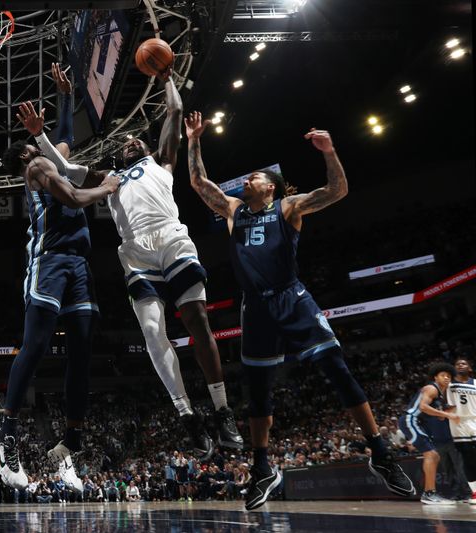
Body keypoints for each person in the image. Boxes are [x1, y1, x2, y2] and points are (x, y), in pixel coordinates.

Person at [183, 112, 415, 510]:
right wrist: (194, 140)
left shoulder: (289, 207)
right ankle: (262, 469)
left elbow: (337, 190)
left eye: (255, 176)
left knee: (338, 371)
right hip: (254, 308)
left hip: (292, 298)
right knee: (257, 395)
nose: (248, 180)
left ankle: (381, 453)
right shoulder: (235, 209)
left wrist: (330, 151)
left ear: (269, 187)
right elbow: (199, 184)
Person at [19, 64, 243, 459]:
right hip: (135, 250)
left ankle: (222, 411)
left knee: (197, 320)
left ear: (143, 147)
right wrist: (40, 134)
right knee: (154, 332)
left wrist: (168, 75)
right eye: (122, 141)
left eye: (132, 138)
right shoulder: (110, 177)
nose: (127, 140)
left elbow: (173, 113)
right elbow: (67, 169)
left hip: (171, 236)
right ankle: (187, 414)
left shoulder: (162, 161)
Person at [0, 64, 119, 493]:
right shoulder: (35, 171)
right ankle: (5, 432)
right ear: (26, 156)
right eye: (34, 143)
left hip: (79, 264)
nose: (41, 142)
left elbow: (65, 138)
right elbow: (73, 195)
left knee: (82, 348)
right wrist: (107, 187)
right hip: (48, 262)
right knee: (37, 344)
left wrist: (64, 96)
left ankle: (73, 439)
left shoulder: (49, 160)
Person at [399, 363, 460, 504]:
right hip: (411, 420)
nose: (446, 378)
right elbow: (423, 407)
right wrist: (448, 414)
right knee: (432, 455)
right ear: (435, 377)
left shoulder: (440, 396)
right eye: (443, 375)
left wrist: (451, 410)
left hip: (418, 423)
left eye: (449, 376)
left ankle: (429, 493)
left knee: (434, 456)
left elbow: (440, 417)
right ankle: (429, 494)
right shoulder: (431, 388)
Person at [447, 357, 476, 504]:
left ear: (470, 368)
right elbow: (448, 406)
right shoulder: (450, 385)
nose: (460, 365)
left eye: (464, 363)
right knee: (468, 460)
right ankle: (475, 493)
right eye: (457, 364)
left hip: (475, 420)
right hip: (458, 424)